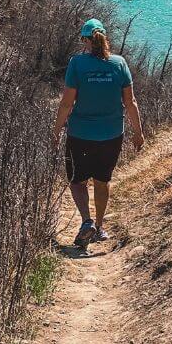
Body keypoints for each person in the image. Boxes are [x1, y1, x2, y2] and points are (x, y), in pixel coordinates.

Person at [53, 18, 144, 248]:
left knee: (77, 181)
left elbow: (66, 103)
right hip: (112, 135)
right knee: (102, 181)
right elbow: (130, 102)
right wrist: (138, 132)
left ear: (85, 40)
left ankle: (87, 222)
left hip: (80, 134)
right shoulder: (119, 63)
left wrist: (56, 130)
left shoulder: (77, 64)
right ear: (104, 38)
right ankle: (100, 227)